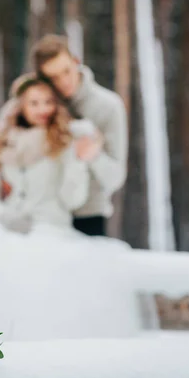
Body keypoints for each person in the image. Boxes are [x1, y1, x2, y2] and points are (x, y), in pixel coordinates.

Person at [30, 34, 128, 237]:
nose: (63, 81)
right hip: (41, 214)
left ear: (76, 61)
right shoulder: (35, 105)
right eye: (53, 77)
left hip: (87, 217)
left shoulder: (108, 107)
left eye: (66, 71)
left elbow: (115, 178)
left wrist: (93, 156)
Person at [0, 73, 93, 235]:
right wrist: (6, 216)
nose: (43, 109)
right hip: (10, 236)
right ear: (20, 106)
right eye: (34, 103)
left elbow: (73, 200)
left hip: (53, 234)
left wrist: (79, 162)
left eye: (49, 102)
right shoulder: (4, 145)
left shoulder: (64, 143)